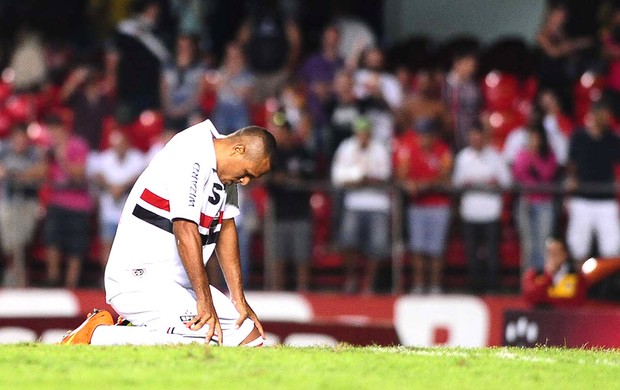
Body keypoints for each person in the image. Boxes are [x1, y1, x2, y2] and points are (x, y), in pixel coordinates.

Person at [61, 120, 276, 346]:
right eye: (247, 173)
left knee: (251, 341)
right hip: (140, 279)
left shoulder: (223, 170)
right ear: (238, 149)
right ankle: (96, 335)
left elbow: (227, 227)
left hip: (179, 286)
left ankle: (143, 328)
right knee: (205, 338)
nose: (244, 181)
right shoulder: (191, 151)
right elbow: (185, 228)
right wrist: (204, 300)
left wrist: (238, 299)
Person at [331, 117, 391, 294]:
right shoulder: (346, 147)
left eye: (366, 132)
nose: (363, 136)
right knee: (348, 242)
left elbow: (384, 176)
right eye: (360, 132)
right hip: (354, 203)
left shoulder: (380, 149)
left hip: (378, 204)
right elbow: (338, 177)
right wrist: (360, 180)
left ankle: (368, 283)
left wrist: (359, 180)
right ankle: (351, 279)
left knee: (377, 246)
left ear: (370, 133)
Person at [395, 118, 453, 294]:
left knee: (436, 249)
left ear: (433, 136)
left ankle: (435, 286)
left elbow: (444, 176)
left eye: (426, 135)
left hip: (439, 205)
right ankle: (419, 286)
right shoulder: (408, 150)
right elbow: (402, 175)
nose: (423, 139)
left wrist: (422, 185)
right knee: (418, 248)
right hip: (417, 205)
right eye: (420, 135)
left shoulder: (443, 151)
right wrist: (409, 184)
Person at [453, 123, 512, 292]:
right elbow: (456, 184)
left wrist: (490, 185)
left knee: (492, 253)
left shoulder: (495, 157)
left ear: (484, 138)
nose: (475, 140)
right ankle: (474, 288)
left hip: (490, 213)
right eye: (472, 137)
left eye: (478, 136)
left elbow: (507, 182)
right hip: (469, 213)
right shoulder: (463, 157)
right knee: (471, 254)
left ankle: (493, 288)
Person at [265, 112, 315, 291]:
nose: (276, 134)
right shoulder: (272, 155)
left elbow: (311, 175)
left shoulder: (302, 151)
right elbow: (266, 179)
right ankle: (278, 293)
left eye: (278, 131)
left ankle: (304, 290)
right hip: (279, 212)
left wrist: (287, 178)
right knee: (278, 257)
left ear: (287, 131)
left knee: (302, 257)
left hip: (301, 211)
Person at [565, 100, 620, 263]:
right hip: (582, 198)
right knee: (577, 247)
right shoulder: (579, 136)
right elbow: (571, 163)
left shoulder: (613, 138)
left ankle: (609, 287)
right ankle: (579, 285)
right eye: (604, 114)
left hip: (606, 199)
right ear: (594, 114)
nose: (607, 118)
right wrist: (571, 180)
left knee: (611, 248)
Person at [43, 114, 93, 288]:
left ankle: (71, 285)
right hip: (57, 201)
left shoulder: (78, 145)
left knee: (76, 246)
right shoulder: (49, 149)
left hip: (78, 204)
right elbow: (44, 174)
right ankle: (53, 281)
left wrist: (62, 156)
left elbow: (79, 176)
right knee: (51, 240)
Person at [91, 128, 146, 270]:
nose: (119, 148)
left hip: (131, 213)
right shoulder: (105, 158)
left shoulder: (137, 158)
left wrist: (121, 188)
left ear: (127, 144)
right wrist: (111, 187)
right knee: (107, 245)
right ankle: (105, 279)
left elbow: (140, 175)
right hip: (109, 212)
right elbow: (96, 175)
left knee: (130, 247)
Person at [0, 124, 45, 287]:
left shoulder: (34, 152)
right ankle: (11, 279)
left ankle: (21, 281)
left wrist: (15, 175)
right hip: (8, 203)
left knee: (22, 243)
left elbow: (41, 171)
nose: (19, 142)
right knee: (10, 245)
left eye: (22, 139)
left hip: (28, 204)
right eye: (16, 139)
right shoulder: (4, 150)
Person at [512, 120, 558, 274]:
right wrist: (531, 159)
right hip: (526, 203)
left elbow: (547, 174)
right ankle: (528, 282)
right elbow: (519, 174)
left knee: (543, 244)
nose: (533, 141)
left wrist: (533, 162)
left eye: (536, 137)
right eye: (531, 137)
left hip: (544, 203)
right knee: (528, 245)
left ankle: (542, 281)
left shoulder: (549, 155)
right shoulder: (522, 154)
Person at [160, 34, 207, 132]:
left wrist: (183, 109)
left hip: (191, 109)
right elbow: (163, 89)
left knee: (197, 122)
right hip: (171, 109)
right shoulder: (168, 65)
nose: (184, 49)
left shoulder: (200, 66)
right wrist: (170, 108)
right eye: (181, 46)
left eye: (187, 46)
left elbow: (200, 92)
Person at [522, 236, 586, 306]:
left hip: (565, 316)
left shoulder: (576, 277)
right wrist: (548, 275)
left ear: (564, 255)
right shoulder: (534, 274)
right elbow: (531, 297)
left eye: (556, 253)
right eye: (549, 253)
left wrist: (547, 299)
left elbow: (576, 302)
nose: (552, 256)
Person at [209, 41, 255, 135]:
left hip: (239, 109)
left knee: (241, 133)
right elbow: (215, 88)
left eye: (235, 56)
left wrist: (228, 80)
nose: (232, 59)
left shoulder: (247, 75)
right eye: (230, 56)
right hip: (222, 107)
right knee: (219, 131)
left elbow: (243, 94)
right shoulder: (221, 71)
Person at [443, 48, 482, 151]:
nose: (472, 68)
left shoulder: (474, 87)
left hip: (469, 136)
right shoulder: (444, 85)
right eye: (468, 64)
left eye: (473, 65)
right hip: (450, 136)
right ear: (457, 63)